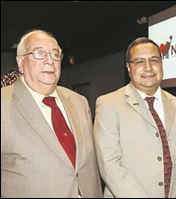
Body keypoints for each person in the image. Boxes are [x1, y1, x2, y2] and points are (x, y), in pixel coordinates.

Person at [1, 30, 102, 197]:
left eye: (55, 54)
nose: (50, 61)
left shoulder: (79, 102)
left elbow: (89, 166)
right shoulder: (4, 104)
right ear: (20, 62)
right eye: (39, 53)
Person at [94, 37, 176, 197]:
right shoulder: (108, 104)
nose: (148, 67)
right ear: (128, 67)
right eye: (139, 61)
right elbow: (110, 165)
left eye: (154, 60)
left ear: (161, 64)